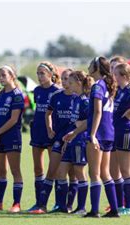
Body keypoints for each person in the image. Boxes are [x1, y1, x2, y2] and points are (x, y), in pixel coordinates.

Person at [38, 68, 78, 214]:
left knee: (73, 174)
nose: (65, 82)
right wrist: (49, 129)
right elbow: (47, 113)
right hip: (58, 138)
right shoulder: (56, 96)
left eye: (68, 79)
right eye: (63, 78)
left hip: (74, 139)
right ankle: (44, 205)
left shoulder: (78, 97)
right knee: (52, 171)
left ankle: (68, 206)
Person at [84, 56, 119, 218]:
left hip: (98, 133)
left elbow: (98, 111)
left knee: (94, 173)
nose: (89, 67)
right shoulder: (107, 84)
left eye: (91, 65)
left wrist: (92, 134)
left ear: (97, 68)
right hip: (108, 133)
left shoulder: (97, 86)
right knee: (105, 173)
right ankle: (114, 209)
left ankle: (94, 210)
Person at [0, 65, 25, 213]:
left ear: (12, 76)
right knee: (1, 171)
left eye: (3, 75)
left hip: (12, 137)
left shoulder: (17, 95)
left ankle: (17, 204)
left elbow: (14, 119)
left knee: (15, 170)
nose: (1, 78)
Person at [27, 61, 62, 214]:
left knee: (53, 170)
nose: (40, 76)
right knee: (37, 169)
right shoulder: (36, 90)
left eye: (42, 73)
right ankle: (39, 203)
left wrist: (52, 129)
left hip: (51, 133)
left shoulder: (57, 91)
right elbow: (39, 111)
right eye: (38, 73)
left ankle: (56, 203)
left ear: (51, 74)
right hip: (37, 131)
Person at [61, 71, 93, 215]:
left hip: (80, 140)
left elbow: (89, 120)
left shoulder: (85, 100)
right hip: (72, 139)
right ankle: (63, 206)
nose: (68, 84)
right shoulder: (76, 99)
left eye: (71, 82)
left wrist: (81, 124)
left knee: (80, 173)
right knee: (61, 172)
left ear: (79, 83)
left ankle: (81, 207)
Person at [112, 63, 130, 215]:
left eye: (116, 74)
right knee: (116, 170)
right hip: (117, 131)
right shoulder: (120, 91)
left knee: (125, 170)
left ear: (123, 76)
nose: (113, 77)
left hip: (127, 132)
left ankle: (128, 207)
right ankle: (120, 204)